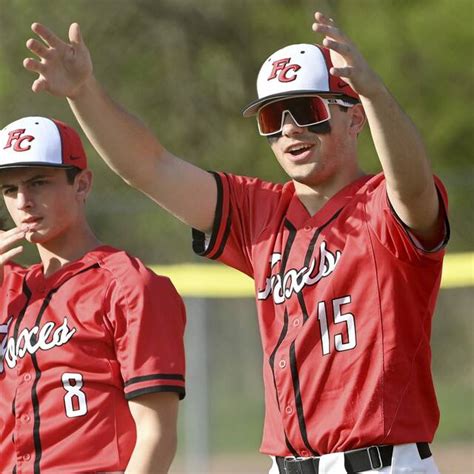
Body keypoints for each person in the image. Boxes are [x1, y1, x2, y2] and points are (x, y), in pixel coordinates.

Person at [23, 10, 449, 474]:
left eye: (307, 111)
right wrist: (85, 94)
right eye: (272, 116)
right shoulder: (258, 213)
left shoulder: (382, 204)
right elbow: (150, 168)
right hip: (284, 465)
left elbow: (412, 189)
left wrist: (376, 92)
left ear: (354, 118)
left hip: (380, 464)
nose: (289, 129)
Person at [0, 116, 186, 473]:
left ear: (82, 184)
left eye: (38, 183)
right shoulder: (8, 289)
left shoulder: (128, 286)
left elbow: (157, 433)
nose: (23, 201)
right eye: (10, 189)